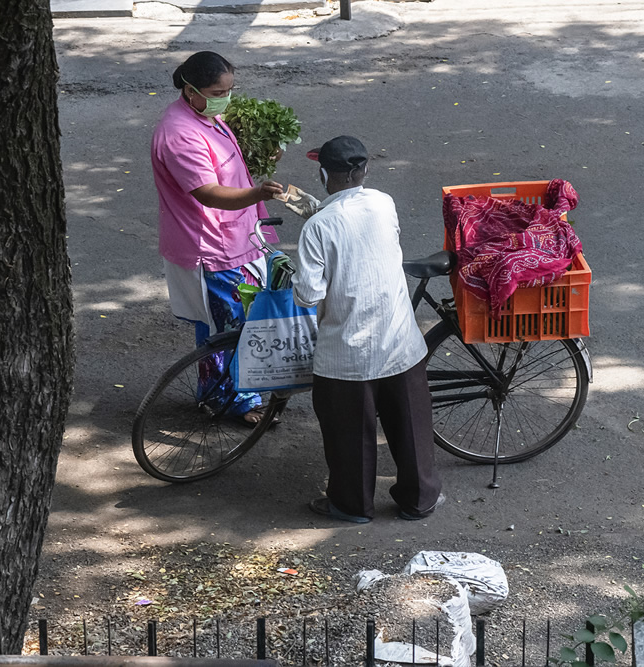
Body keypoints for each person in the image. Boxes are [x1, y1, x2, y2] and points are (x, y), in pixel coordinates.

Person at [292, 135, 444, 523]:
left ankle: (351, 503)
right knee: (410, 425)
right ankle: (420, 499)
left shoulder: (317, 227)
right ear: (365, 171)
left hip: (348, 352)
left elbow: (309, 295)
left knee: (348, 434)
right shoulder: (383, 203)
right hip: (400, 342)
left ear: (324, 174)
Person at [151, 51, 283, 424]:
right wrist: (258, 193)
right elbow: (207, 192)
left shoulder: (206, 115)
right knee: (227, 327)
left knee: (230, 323)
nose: (224, 97)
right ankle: (231, 399)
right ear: (190, 90)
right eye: (216, 91)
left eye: (229, 90)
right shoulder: (179, 134)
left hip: (237, 237)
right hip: (212, 247)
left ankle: (223, 391)